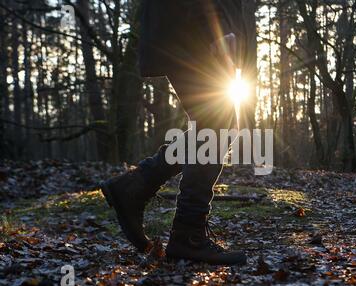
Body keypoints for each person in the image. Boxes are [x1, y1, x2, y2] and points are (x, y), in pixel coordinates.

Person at [101, 0, 248, 265]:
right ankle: (188, 233)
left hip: (185, 24)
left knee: (216, 123)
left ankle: (135, 187)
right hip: (193, 27)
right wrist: (216, 26)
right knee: (217, 124)